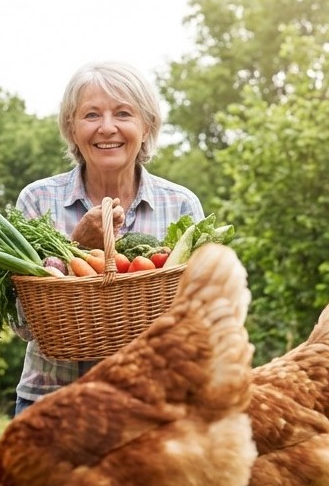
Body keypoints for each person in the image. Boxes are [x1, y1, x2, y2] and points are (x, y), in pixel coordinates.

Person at [12, 61, 203, 416]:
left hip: (155, 406)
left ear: (146, 126)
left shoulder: (181, 206)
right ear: (71, 128)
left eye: (123, 114)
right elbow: (23, 324)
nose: (107, 128)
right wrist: (75, 249)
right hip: (52, 402)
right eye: (91, 115)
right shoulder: (38, 200)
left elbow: (202, 316)